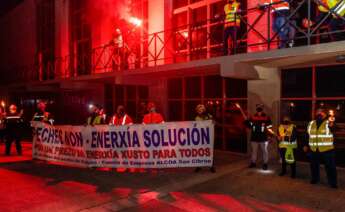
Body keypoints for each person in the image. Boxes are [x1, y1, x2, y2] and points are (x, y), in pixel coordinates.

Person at [304, 108, 337, 188]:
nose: (319, 114)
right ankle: (315, 179)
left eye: (321, 112)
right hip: (314, 149)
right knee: (314, 166)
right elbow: (307, 135)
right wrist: (305, 145)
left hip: (327, 150)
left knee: (330, 167)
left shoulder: (328, 122)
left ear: (325, 114)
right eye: (317, 112)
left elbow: (334, 129)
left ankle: (333, 183)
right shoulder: (311, 123)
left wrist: (332, 124)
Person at [245, 104, 274, 170]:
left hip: (263, 138)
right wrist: (246, 122)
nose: (259, 109)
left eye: (260, 107)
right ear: (256, 108)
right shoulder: (252, 117)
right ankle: (253, 163)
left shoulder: (266, 117)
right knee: (254, 151)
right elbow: (250, 126)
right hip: (254, 137)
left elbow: (269, 127)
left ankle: (265, 163)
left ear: (262, 108)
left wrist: (270, 136)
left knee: (265, 151)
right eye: (258, 107)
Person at [194, 104, 216, 173]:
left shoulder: (209, 116)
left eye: (201, 110)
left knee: (209, 152)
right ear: (197, 111)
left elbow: (214, 123)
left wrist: (212, 122)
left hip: (208, 137)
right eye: (199, 110)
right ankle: (199, 166)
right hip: (200, 138)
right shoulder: (196, 118)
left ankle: (211, 166)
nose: (200, 111)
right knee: (200, 152)